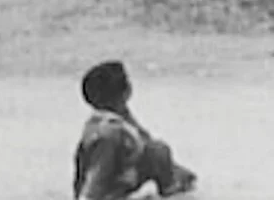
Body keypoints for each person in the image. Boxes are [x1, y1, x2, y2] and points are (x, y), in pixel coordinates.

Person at [74, 61, 198, 199]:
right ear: (127, 91)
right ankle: (170, 189)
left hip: (120, 182)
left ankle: (171, 186)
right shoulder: (109, 132)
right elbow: (96, 179)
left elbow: (145, 141)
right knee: (159, 150)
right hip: (110, 191)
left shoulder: (117, 118)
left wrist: (173, 170)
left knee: (158, 151)